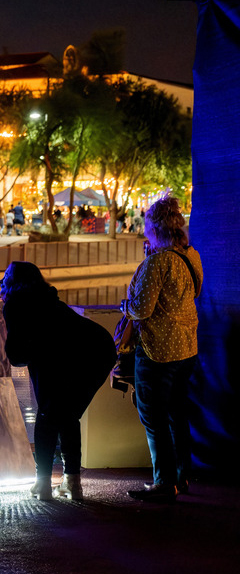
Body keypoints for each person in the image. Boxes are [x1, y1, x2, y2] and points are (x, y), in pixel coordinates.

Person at [0, 262, 116, 500]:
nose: (1, 280)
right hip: (97, 351)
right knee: (66, 416)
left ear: (12, 281)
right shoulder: (50, 301)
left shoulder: (15, 305)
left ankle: (43, 484)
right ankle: (72, 484)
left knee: (48, 415)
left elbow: (16, 354)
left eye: (5, 276)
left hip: (64, 358)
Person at [121, 196, 202, 503]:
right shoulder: (191, 256)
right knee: (177, 414)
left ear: (155, 229)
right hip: (187, 347)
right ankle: (181, 477)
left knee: (153, 417)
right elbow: (195, 292)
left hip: (158, 350)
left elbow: (141, 309)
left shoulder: (157, 262)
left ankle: (164, 483)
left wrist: (125, 306)